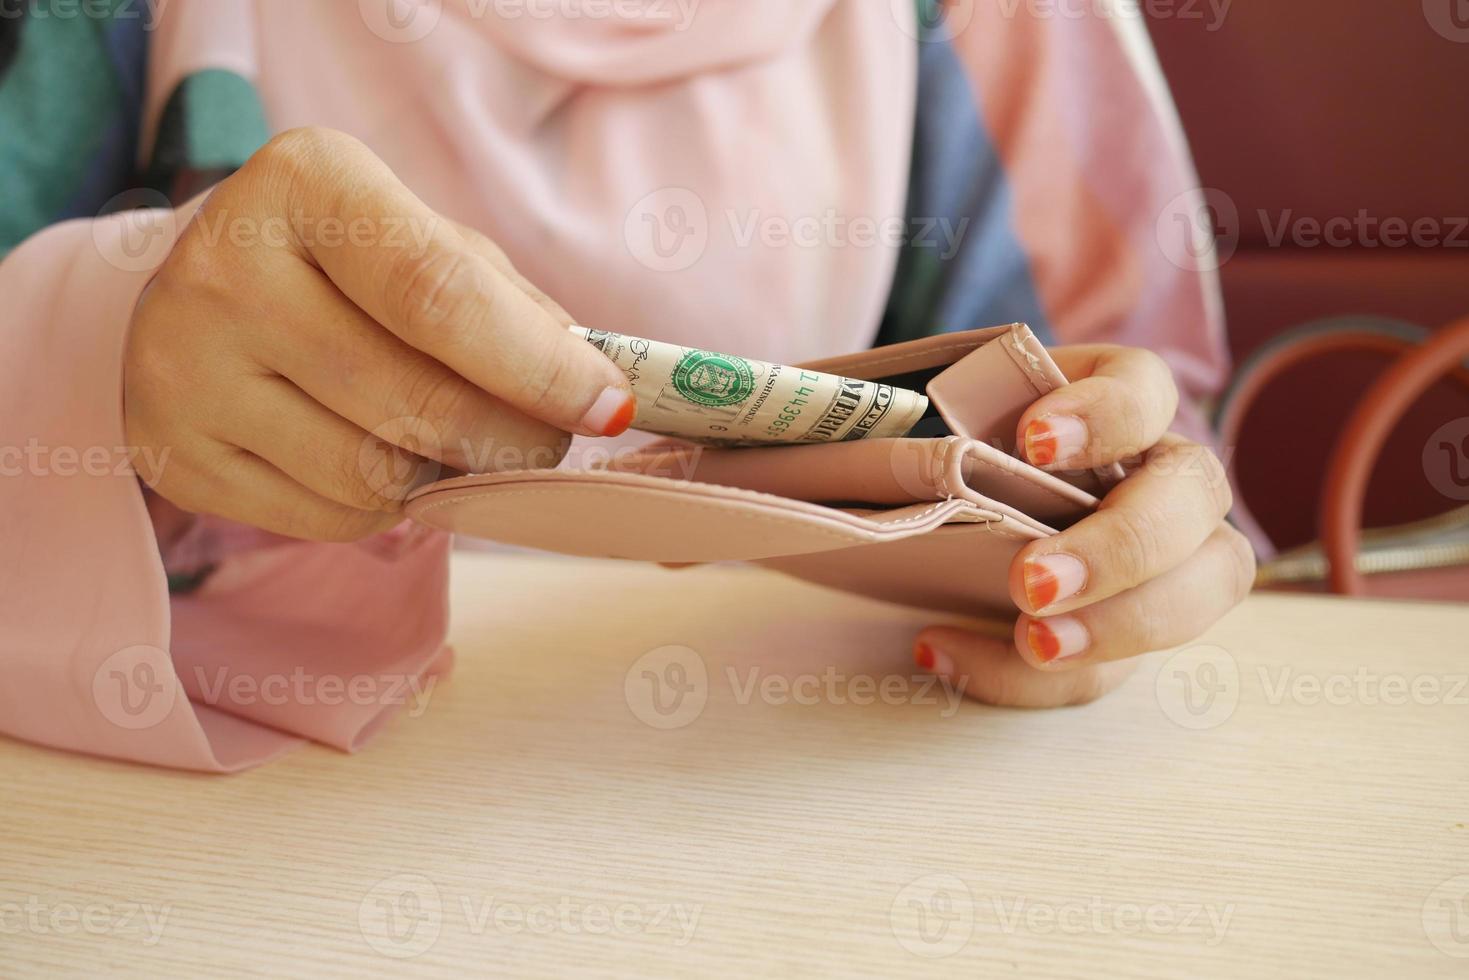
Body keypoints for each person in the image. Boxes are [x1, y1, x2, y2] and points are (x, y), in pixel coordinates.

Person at [0, 0, 1254, 770]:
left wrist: (1118, 548)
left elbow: (1120, 415)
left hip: (812, 770)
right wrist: (93, 337)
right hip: (236, 800)